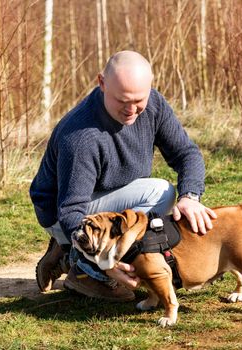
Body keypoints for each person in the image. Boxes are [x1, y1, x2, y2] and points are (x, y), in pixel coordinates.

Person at [30, 50, 217, 301]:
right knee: (158, 195)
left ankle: (69, 252)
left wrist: (190, 197)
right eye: (122, 101)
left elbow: (187, 154)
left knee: (165, 193)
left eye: (138, 100)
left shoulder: (155, 105)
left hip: (105, 197)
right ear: (102, 83)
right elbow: (71, 210)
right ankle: (86, 271)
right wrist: (104, 262)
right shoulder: (81, 136)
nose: (131, 109)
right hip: (61, 209)